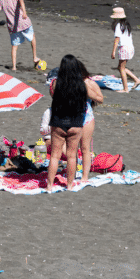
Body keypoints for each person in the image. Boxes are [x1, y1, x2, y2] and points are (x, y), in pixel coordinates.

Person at [47, 55, 104, 190]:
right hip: (76, 122)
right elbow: (96, 97)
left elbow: (54, 96)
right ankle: (70, 185)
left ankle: (49, 186)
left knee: (55, 156)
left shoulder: (55, 83)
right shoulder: (82, 85)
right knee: (73, 156)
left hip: (59, 121)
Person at [0, 0, 41, 71]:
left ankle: (14, 66)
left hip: (12, 26)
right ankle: (35, 57)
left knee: (14, 46)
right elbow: (21, 1)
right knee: (32, 37)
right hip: (23, 22)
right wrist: (24, 12)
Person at [110, 7, 139, 93]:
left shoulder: (119, 25)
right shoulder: (126, 25)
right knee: (121, 67)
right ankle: (136, 80)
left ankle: (125, 89)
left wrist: (113, 51)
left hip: (124, 48)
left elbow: (117, 39)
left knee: (121, 68)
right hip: (130, 47)